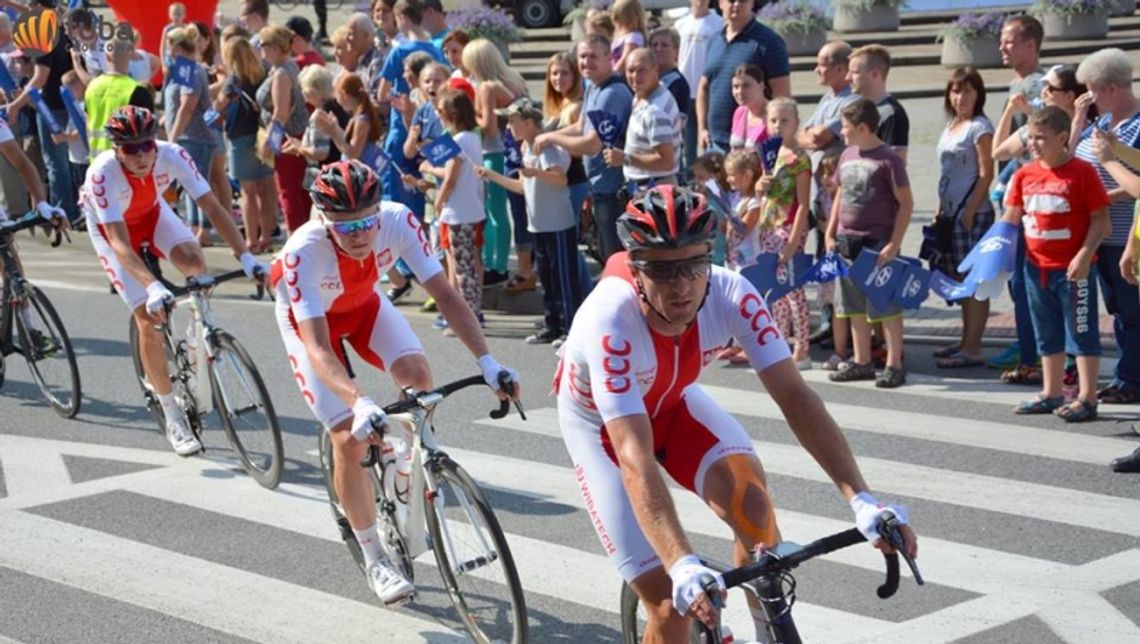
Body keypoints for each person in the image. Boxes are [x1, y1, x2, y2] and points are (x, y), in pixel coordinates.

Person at [554, 183, 917, 641]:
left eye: (694, 264)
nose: (682, 285)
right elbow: (634, 456)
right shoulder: (610, 319)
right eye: (663, 271)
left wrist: (861, 498)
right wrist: (682, 562)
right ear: (636, 269)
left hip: (672, 404)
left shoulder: (732, 292)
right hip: (605, 432)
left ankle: (771, 632)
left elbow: (796, 397)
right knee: (670, 605)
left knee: (754, 507)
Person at [268, 159, 519, 605]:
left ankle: (407, 467)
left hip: (364, 306)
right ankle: (375, 559)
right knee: (347, 438)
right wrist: (360, 400)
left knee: (418, 379)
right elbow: (320, 350)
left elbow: (445, 294)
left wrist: (487, 361)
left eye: (367, 222)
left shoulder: (397, 220)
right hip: (312, 325)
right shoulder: (302, 252)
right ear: (324, 219)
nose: (360, 234)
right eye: (347, 228)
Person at [79, 106, 265, 456]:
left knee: (195, 263)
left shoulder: (172, 154)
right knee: (148, 322)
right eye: (130, 148)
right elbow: (119, 243)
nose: (141, 154)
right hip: (112, 231)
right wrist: (151, 285)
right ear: (116, 149)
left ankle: (199, 336)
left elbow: (212, 207)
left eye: (146, 145)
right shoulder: (102, 174)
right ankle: (172, 415)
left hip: (151, 213)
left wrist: (247, 256)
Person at [1004, 106, 1110, 422]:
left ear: (1063, 138)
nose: (1033, 144)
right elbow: (1011, 218)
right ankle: (1051, 392)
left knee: (1081, 330)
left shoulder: (1081, 173)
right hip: (1036, 267)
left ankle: (1087, 397)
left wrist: (1084, 255)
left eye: (1041, 138)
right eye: (1030, 138)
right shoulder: (1025, 174)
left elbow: (1100, 220)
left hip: (1073, 269)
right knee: (1046, 330)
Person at [479, 98, 583, 345]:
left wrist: (535, 172)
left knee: (563, 277)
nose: (508, 126)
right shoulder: (526, 148)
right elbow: (523, 187)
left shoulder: (548, 148)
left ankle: (571, 327)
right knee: (546, 277)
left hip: (558, 223)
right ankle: (552, 325)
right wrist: (492, 175)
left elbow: (560, 179)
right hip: (538, 224)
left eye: (513, 121)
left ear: (528, 123)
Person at [825, 98, 913, 388]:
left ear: (863, 127)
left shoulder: (888, 159)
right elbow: (840, 194)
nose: (842, 132)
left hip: (877, 243)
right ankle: (861, 360)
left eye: (847, 127)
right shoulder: (847, 155)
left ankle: (894, 363)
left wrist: (894, 243)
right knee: (853, 306)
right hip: (847, 241)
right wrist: (831, 230)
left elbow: (906, 203)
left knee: (885, 305)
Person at [1073, 48, 1140, 405]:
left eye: (1092, 90)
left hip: (1128, 231)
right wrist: (1077, 121)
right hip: (1101, 232)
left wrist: (1100, 198)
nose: (1089, 97)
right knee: (1117, 308)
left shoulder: (1138, 124)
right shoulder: (1098, 123)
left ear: (1112, 89)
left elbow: (1137, 181)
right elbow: (1073, 161)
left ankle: (1131, 378)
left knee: (1133, 309)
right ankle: (1126, 374)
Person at [536, 34, 633, 264]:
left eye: (593, 56)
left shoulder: (611, 94)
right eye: (582, 56)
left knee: (617, 258)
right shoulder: (593, 87)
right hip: (599, 187)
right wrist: (548, 136)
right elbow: (581, 126)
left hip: (613, 191)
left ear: (609, 57)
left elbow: (591, 144)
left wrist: (551, 138)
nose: (587, 62)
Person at [987, 15, 1046, 377]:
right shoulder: (1018, 84)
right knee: (1018, 279)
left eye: (1009, 41)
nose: (1002, 47)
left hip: (1029, 201)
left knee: (1026, 279)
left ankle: (1035, 352)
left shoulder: (1038, 85)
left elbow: (1045, 134)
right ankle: (1030, 345)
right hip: (1013, 197)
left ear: (1030, 44)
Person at [930, 67, 995, 370]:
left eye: (967, 91)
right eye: (955, 91)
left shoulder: (980, 127)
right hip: (950, 211)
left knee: (975, 281)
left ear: (978, 94)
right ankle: (965, 339)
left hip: (972, 215)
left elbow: (986, 172)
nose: (960, 97)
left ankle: (973, 346)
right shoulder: (954, 125)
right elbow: (947, 173)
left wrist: (971, 208)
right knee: (959, 279)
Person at [798, 40, 858, 351]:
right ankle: (828, 319)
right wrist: (809, 137)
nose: (816, 69)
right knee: (824, 256)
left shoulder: (850, 101)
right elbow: (801, 133)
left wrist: (810, 137)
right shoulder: (826, 98)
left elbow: (818, 137)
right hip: (821, 194)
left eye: (822, 64)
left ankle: (843, 328)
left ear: (840, 69)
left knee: (839, 259)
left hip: (839, 194)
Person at [3, 0, 79, 225]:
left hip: (49, 106)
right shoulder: (60, 28)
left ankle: (62, 212)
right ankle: (67, 209)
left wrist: (15, 104)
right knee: (65, 160)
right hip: (66, 103)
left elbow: (39, 78)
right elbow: (34, 11)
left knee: (55, 163)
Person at [417, 88, 486, 329]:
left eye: (441, 111)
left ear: (452, 114)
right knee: (469, 262)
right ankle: (472, 313)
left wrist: (439, 200)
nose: (438, 114)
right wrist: (430, 169)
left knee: (462, 266)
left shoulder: (458, 140)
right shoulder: (472, 137)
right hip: (470, 209)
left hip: (459, 212)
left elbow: (451, 178)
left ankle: (470, 317)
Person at [462, 39, 526, 287]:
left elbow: (487, 127)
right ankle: (499, 264)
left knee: (493, 211)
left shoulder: (487, 87)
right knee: (501, 211)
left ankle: (496, 265)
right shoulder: (512, 80)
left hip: (493, 151)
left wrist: (468, 112)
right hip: (509, 151)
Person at [757, 97, 812, 369]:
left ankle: (802, 346)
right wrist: (760, 186)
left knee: (793, 288)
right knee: (776, 290)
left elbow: (803, 203)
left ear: (796, 123)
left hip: (789, 227)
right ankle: (780, 341)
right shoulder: (769, 154)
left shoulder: (799, 159)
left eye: (785, 120)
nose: (778, 126)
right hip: (769, 226)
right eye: (774, 120)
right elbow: (761, 193)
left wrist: (793, 241)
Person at [698, 0, 791, 154]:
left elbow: (783, 98)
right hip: (714, 144)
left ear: (752, 3)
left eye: (742, 0)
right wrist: (702, 128)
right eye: (731, 0)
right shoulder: (714, 41)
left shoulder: (770, 42)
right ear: (720, 4)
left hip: (752, 146)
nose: (736, 4)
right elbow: (703, 87)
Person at [218, 35, 277, 254]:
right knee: (264, 187)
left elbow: (218, 106)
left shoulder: (234, 81)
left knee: (247, 192)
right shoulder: (263, 74)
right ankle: (266, 236)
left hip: (239, 135)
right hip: (261, 134)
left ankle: (251, 240)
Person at [164, 27, 221, 246]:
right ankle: (195, 227)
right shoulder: (184, 68)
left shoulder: (190, 69)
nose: (168, 52)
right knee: (188, 184)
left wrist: (172, 136)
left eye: (170, 48)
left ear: (178, 48)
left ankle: (203, 231)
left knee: (198, 184)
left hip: (195, 136)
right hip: (188, 135)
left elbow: (187, 107)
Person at [257, 25, 311, 235]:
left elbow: (281, 112)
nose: (260, 48)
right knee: (298, 191)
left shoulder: (281, 73)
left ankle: (294, 239)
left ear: (276, 47)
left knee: (289, 192)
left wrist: (270, 142)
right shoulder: (286, 67)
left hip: (288, 137)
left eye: (264, 44)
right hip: (294, 135)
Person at [605, 48, 680, 192]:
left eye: (641, 70)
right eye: (631, 70)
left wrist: (625, 159)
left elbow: (666, 161)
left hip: (655, 190)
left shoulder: (655, 111)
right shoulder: (643, 95)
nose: (635, 76)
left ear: (655, 69)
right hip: (644, 187)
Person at [84, 37, 154, 159]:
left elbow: (87, 122)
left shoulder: (92, 87)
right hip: (125, 162)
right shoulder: (137, 91)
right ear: (130, 55)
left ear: (107, 56)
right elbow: (148, 133)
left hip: (96, 161)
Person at [674, 0, 723, 171]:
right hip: (685, 92)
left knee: (707, 139)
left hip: (707, 91)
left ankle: (711, 179)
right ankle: (689, 179)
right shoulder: (680, 24)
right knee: (688, 143)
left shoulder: (718, 23)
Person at [288, 64, 351, 191]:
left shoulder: (319, 115)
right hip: (344, 170)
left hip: (328, 174)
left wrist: (300, 148)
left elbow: (321, 153)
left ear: (312, 91)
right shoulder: (340, 106)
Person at [847, 45, 909, 163]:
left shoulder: (891, 113)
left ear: (875, 74)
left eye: (854, 72)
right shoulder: (858, 108)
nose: (847, 77)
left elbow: (896, 164)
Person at [649, 27, 690, 158]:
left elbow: (678, 124)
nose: (658, 49)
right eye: (654, 45)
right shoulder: (647, 80)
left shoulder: (678, 83)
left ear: (676, 51)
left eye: (665, 45)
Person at [729, 64, 769, 152]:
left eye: (746, 86)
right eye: (736, 87)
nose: (740, 91)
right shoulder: (740, 112)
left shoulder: (774, 115)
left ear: (761, 86)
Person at [610, 0, 647, 74]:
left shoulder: (634, 37)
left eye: (618, 16)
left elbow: (625, 60)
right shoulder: (622, 36)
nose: (614, 19)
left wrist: (613, 76)